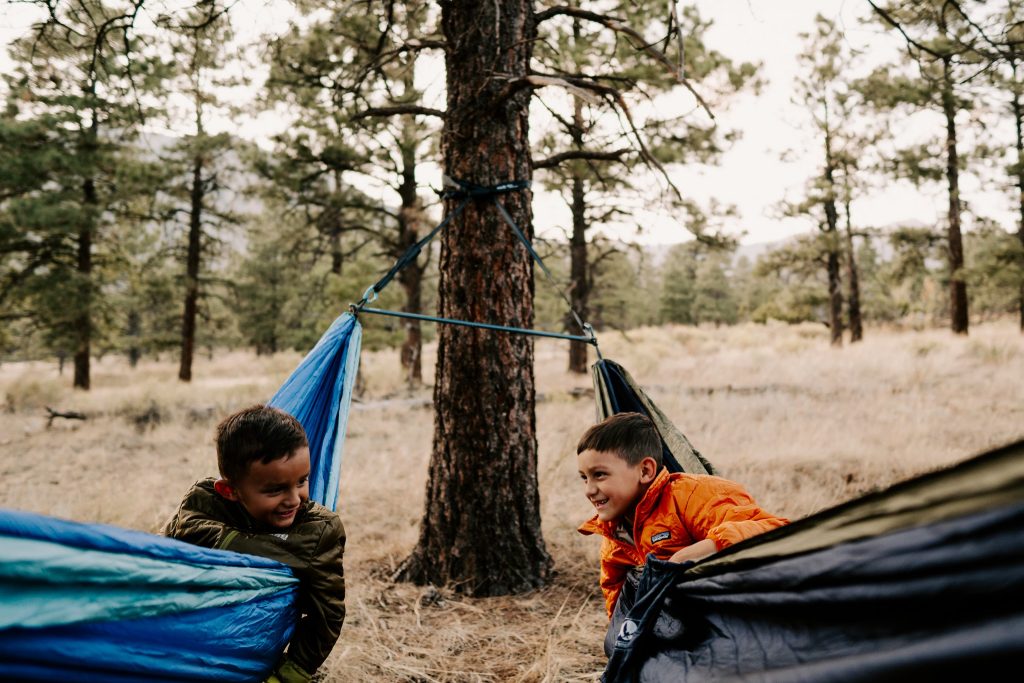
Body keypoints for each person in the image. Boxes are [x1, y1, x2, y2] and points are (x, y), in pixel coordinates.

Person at [162, 404, 345, 683]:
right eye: (275, 490)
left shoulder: (317, 531)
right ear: (230, 491)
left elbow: (328, 615)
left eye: (301, 481)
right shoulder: (205, 501)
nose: (294, 499)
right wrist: (261, 547)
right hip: (187, 638)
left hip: (255, 651)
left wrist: (291, 673)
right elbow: (178, 538)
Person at [577, 412, 788, 617]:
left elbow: (774, 530)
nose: (589, 490)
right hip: (676, 628)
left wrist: (697, 552)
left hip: (733, 613)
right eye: (584, 478)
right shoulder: (614, 535)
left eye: (600, 475)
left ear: (645, 471)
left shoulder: (692, 495)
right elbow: (616, 602)